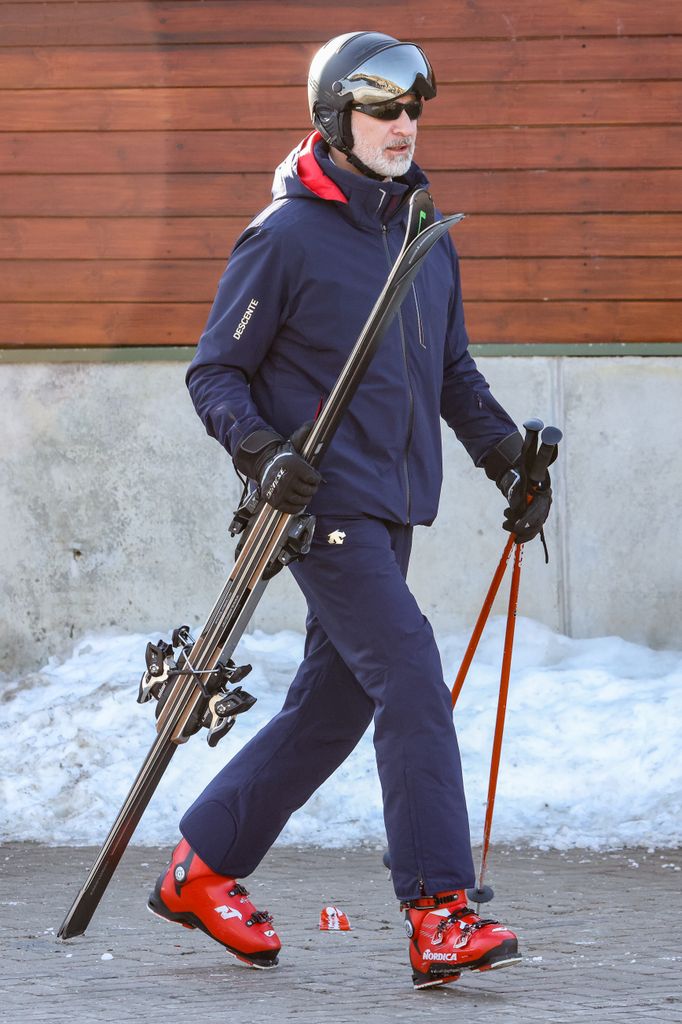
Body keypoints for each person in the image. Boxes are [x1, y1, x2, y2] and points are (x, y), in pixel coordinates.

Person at [147, 31, 552, 989]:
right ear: (336, 119)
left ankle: (200, 869)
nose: (404, 126)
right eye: (382, 109)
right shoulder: (284, 236)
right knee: (411, 674)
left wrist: (507, 461)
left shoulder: (422, 234)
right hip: (321, 508)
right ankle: (439, 910)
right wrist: (262, 450)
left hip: (393, 501)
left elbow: (451, 373)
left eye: (414, 109)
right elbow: (216, 373)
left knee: (330, 710)